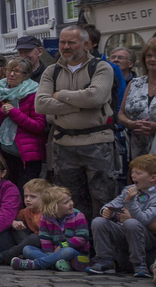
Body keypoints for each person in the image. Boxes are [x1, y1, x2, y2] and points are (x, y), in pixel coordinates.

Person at [36, 26, 119, 219]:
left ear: (86, 44)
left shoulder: (101, 67)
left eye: (71, 42)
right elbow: (40, 104)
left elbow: (95, 97)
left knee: (103, 199)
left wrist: (60, 96)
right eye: (62, 42)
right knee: (70, 203)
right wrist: (79, 105)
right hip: (64, 145)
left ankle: (104, 248)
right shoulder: (52, 71)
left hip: (97, 143)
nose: (66, 47)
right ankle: (80, 246)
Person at [88, 154, 156, 278]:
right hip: (124, 231)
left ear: (153, 178)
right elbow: (112, 204)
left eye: (138, 173)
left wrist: (130, 202)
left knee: (131, 223)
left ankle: (139, 264)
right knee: (98, 222)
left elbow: (144, 219)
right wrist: (106, 210)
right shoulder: (129, 189)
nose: (133, 176)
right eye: (132, 172)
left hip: (146, 237)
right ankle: (105, 260)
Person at [12, 185, 90, 272]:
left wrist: (62, 246)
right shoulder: (45, 218)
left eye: (70, 200)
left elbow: (82, 238)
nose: (71, 203)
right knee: (27, 249)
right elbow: (46, 240)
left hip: (75, 252)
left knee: (68, 251)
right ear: (54, 207)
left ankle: (36, 264)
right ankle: (54, 264)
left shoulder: (78, 216)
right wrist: (51, 256)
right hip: (54, 253)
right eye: (66, 202)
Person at [0, 57, 45, 184]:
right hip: (5, 154)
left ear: (26, 75)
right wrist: (1, 113)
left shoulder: (34, 93)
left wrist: (14, 113)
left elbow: (39, 126)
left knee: (25, 195)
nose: (11, 74)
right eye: (9, 70)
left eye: (17, 71)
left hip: (27, 158)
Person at [119, 36, 156, 160]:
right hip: (137, 152)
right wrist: (131, 123)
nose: (152, 59)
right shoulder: (135, 83)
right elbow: (121, 113)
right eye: (149, 55)